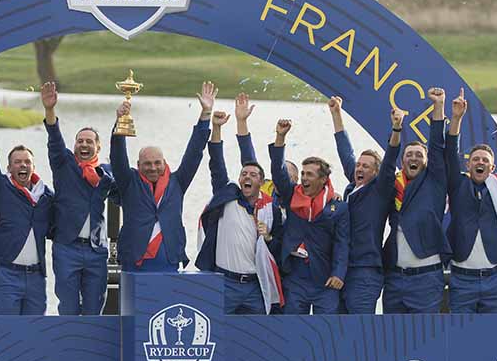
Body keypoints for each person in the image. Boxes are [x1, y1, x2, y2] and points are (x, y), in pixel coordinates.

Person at [110, 82, 214, 272]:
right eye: (147, 164)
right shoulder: (129, 182)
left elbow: (194, 153)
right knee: (134, 303)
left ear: (164, 163)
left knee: (168, 303)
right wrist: (120, 123)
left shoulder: (177, 182)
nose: (153, 168)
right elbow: (117, 157)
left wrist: (205, 114)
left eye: (157, 163)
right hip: (135, 260)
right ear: (138, 165)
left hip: (169, 259)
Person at [197, 109, 284, 314]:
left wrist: (269, 237)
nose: (247, 177)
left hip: (256, 285)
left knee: (259, 338)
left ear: (261, 183)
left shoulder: (270, 208)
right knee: (217, 335)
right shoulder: (227, 197)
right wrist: (216, 128)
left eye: (253, 175)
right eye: (243, 173)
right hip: (225, 283)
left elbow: (280, 244)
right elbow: (216, 164)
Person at [40, 82, 114, 315]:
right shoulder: (64, 164)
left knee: (94, 311)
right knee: (69, 310)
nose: (83, 144)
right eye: (79, 141)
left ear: (98, 147)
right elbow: (54, 137)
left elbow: (118, 174)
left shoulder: (105, 173)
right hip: (66, 248)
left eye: (89, 141)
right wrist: (50, 110)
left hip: (95, 250)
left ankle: (91, 351)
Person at [327, 97, 402, 314]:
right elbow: (345, 152)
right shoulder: (353, 187)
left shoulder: (379, 190)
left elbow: (390, 160)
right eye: (358, 165)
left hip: (365, 272)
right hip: (341, 270)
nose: (359, 168)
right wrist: (336, 114)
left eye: (366, 166)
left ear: (376, 173)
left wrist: (396, 128)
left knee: (359, 331)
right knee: (336, 329)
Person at [269, 118, 350, 314]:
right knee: (293, 330)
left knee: (327, 331)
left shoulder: (338, 208)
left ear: (323, 180)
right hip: (295, 276)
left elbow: (342, 244)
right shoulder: (292, 194)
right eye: (303, 173)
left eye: (310, 175)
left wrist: (338, 274)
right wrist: (280, 137)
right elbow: (278, 172)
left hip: (324, 279)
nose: (304, 178)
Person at [0, 105, 55, 315]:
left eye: (27, 162)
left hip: (36, 278)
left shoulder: (46, 196)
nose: (22, 166)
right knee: (7, 333)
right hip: (7, 275)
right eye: (17, 162)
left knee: (34, 334)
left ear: (33, 167)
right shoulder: (1, 187)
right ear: (9, 168)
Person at [382, 88, 450, 315]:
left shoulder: (435, 183)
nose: (413, 157)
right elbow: (387, 163)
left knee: (423, 339)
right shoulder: (393, 185)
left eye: (419, 155)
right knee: (392, 339)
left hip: (426, 278)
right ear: (402, 161)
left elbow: (437, 148)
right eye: (409, 154)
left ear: (426, 162)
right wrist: (396, 128)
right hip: (394, 277)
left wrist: (438, 106)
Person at [444, 89, 497, 314]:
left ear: (492, 168)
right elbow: (450, 152)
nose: (479, 163)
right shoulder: (458, 185)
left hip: (493, 278)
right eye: (475, 160)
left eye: (485, 161)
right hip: (462, 280)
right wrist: (456, 119)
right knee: (460, 337)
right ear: (468, 165)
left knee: (494, 340)